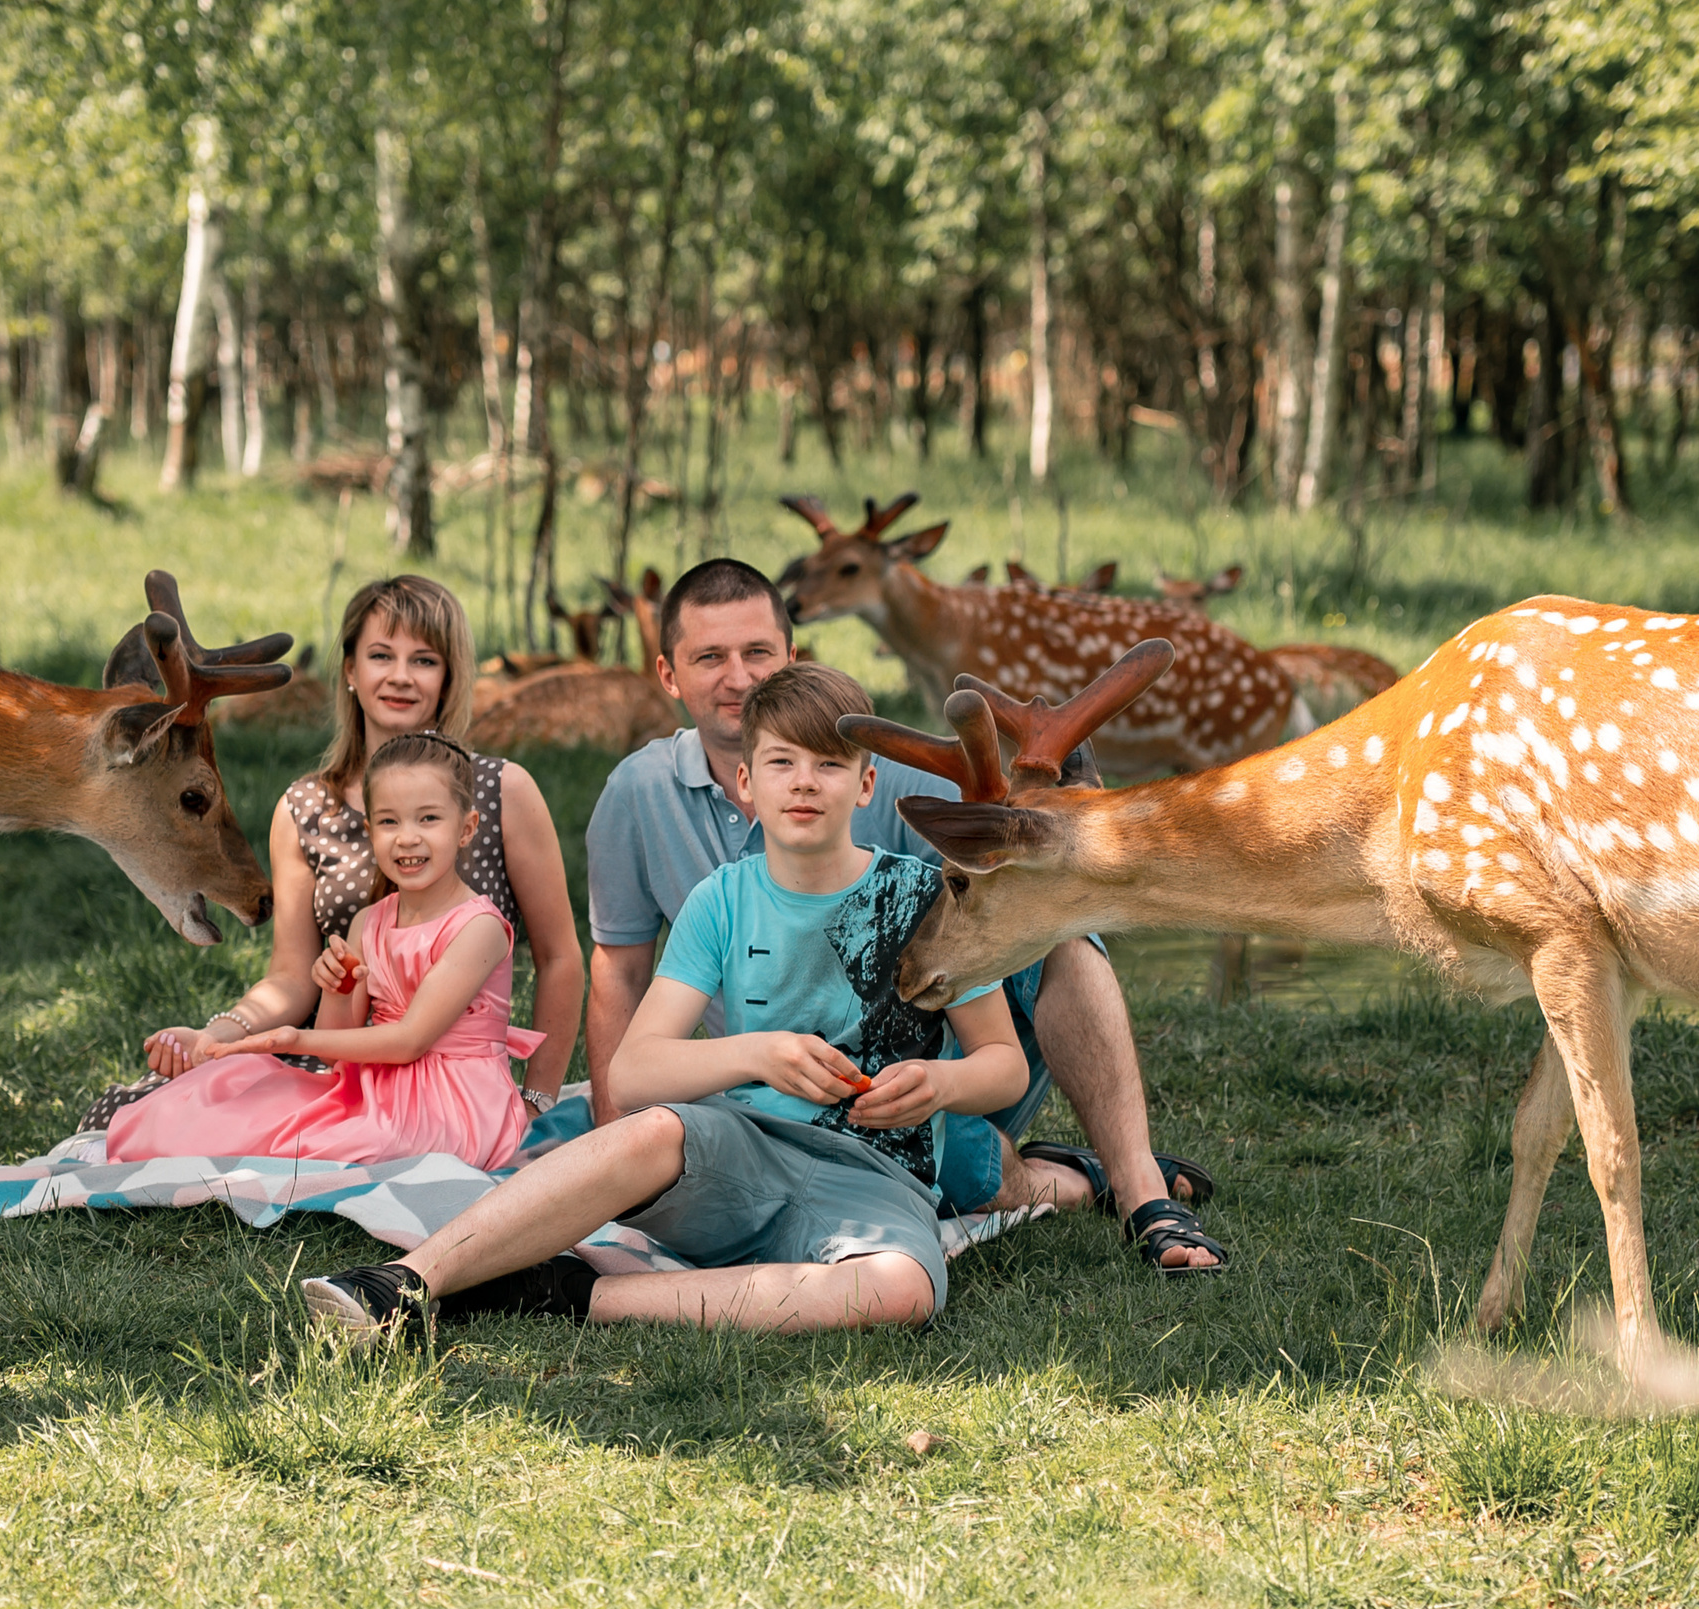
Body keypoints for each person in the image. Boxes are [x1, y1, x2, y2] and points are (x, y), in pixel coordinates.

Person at [301, 665, 1030, 1338]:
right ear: (746, 781)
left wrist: (940, 1083)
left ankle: (565, 1293)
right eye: (782, 762)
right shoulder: (721, 899)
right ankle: (403, 1282)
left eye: (829, 765)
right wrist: (757, 1054)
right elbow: (633, 1074)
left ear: (866, 785)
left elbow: (1004, 1066)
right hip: (742, 1153)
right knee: (651, 1130)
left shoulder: (927, 897)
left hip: (878, 1179)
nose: (804, 782)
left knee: (902, 1288)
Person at [575, 558, 1223, 1270]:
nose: (739, 677)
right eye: (710, 657)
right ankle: (1063, 1176)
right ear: (668, 675)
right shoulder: (638, 794)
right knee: (979, 1180)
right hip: (763, 1101)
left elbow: (1019, 877)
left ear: (792, 655)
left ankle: (1139, 1189)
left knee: (1059, 932)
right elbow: (618, 966)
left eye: (757, 651)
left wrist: (1058, 816)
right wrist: (613, 1154)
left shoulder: (888, 775)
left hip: (918, 1079)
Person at [77, 574, 581, 1132]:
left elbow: (560, 957)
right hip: (330, 1055)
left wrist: (538, 1099)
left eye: (424, 661)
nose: (399, 677)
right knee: (146, 1112)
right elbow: (293, 977)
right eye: (381, 655)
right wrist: (219, 1035)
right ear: (349, 670)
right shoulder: (305, 806)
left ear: (449, 675)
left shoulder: (500, 790)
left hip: (443, 1079)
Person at [104, 734, 542, 1171]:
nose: (407, 838)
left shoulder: (478, 927)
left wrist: (295, 1040)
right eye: (389, 822)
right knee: (236, 1086)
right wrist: (336, 990)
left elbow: (409, 1041)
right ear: (370, 831)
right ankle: (140, 1144)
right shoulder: (368, 921)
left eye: (428, 819)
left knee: (328, 1143)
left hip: (456, 1104)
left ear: (466, 828)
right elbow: (336, 1052)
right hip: (376, 1086)